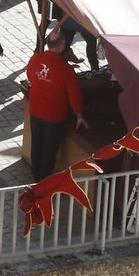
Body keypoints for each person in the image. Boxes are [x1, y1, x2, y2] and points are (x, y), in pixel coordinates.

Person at [25, 29, 88, 180]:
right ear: (61, 46)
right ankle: (43, 181)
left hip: (35, 111)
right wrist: (79, 114)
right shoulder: (66, 70)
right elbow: (74, 95)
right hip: (54, 117)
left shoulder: (35, 60)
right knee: (49, 151)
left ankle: (35, 177)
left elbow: (30, 76)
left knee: (37, 146)